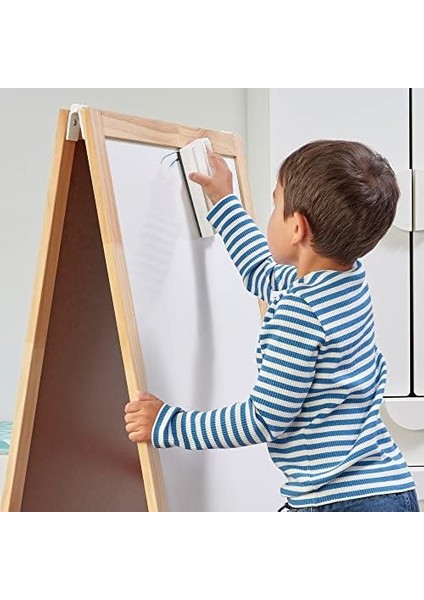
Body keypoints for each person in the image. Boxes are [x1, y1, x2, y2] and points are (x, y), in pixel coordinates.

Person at [124, 140, 419, 512]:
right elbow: (261, 272)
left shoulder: (300, 312)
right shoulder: (346, 282)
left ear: (297, 228)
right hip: (388, 488)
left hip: (342, 503)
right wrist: (224, 201)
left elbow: (263, 418)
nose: (272, 213)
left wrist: (169, 425)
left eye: (276, 205)